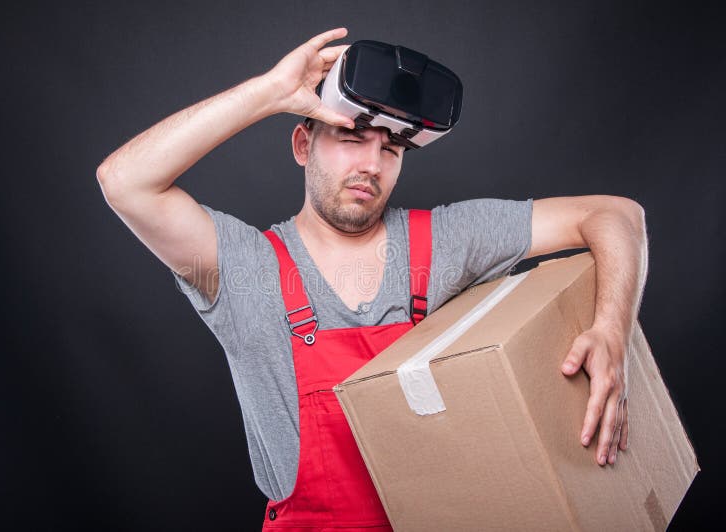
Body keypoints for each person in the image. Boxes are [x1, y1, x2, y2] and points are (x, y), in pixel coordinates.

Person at [96, 27, 648, 530]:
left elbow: (616, 214)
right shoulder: (245, 269)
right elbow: (124, 181)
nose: (372, 165)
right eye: (352, 136)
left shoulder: (446, 241)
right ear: (303, 144)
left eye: (391, 148)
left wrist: (611, 333)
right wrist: (269, 92)